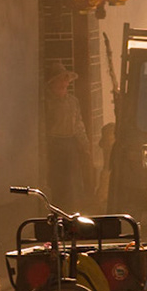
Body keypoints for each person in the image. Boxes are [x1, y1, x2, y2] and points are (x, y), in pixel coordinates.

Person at [45, 65, 94, 211]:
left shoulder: (72, 101)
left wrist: (85, 145)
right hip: (54, 144)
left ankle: (75, 210)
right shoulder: (47, 102)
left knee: (74, 180)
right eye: (59, 80)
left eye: (65, 81)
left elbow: (79, 124)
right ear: (52, 83)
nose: (63, 84)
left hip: (71, 144)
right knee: (58, 180)